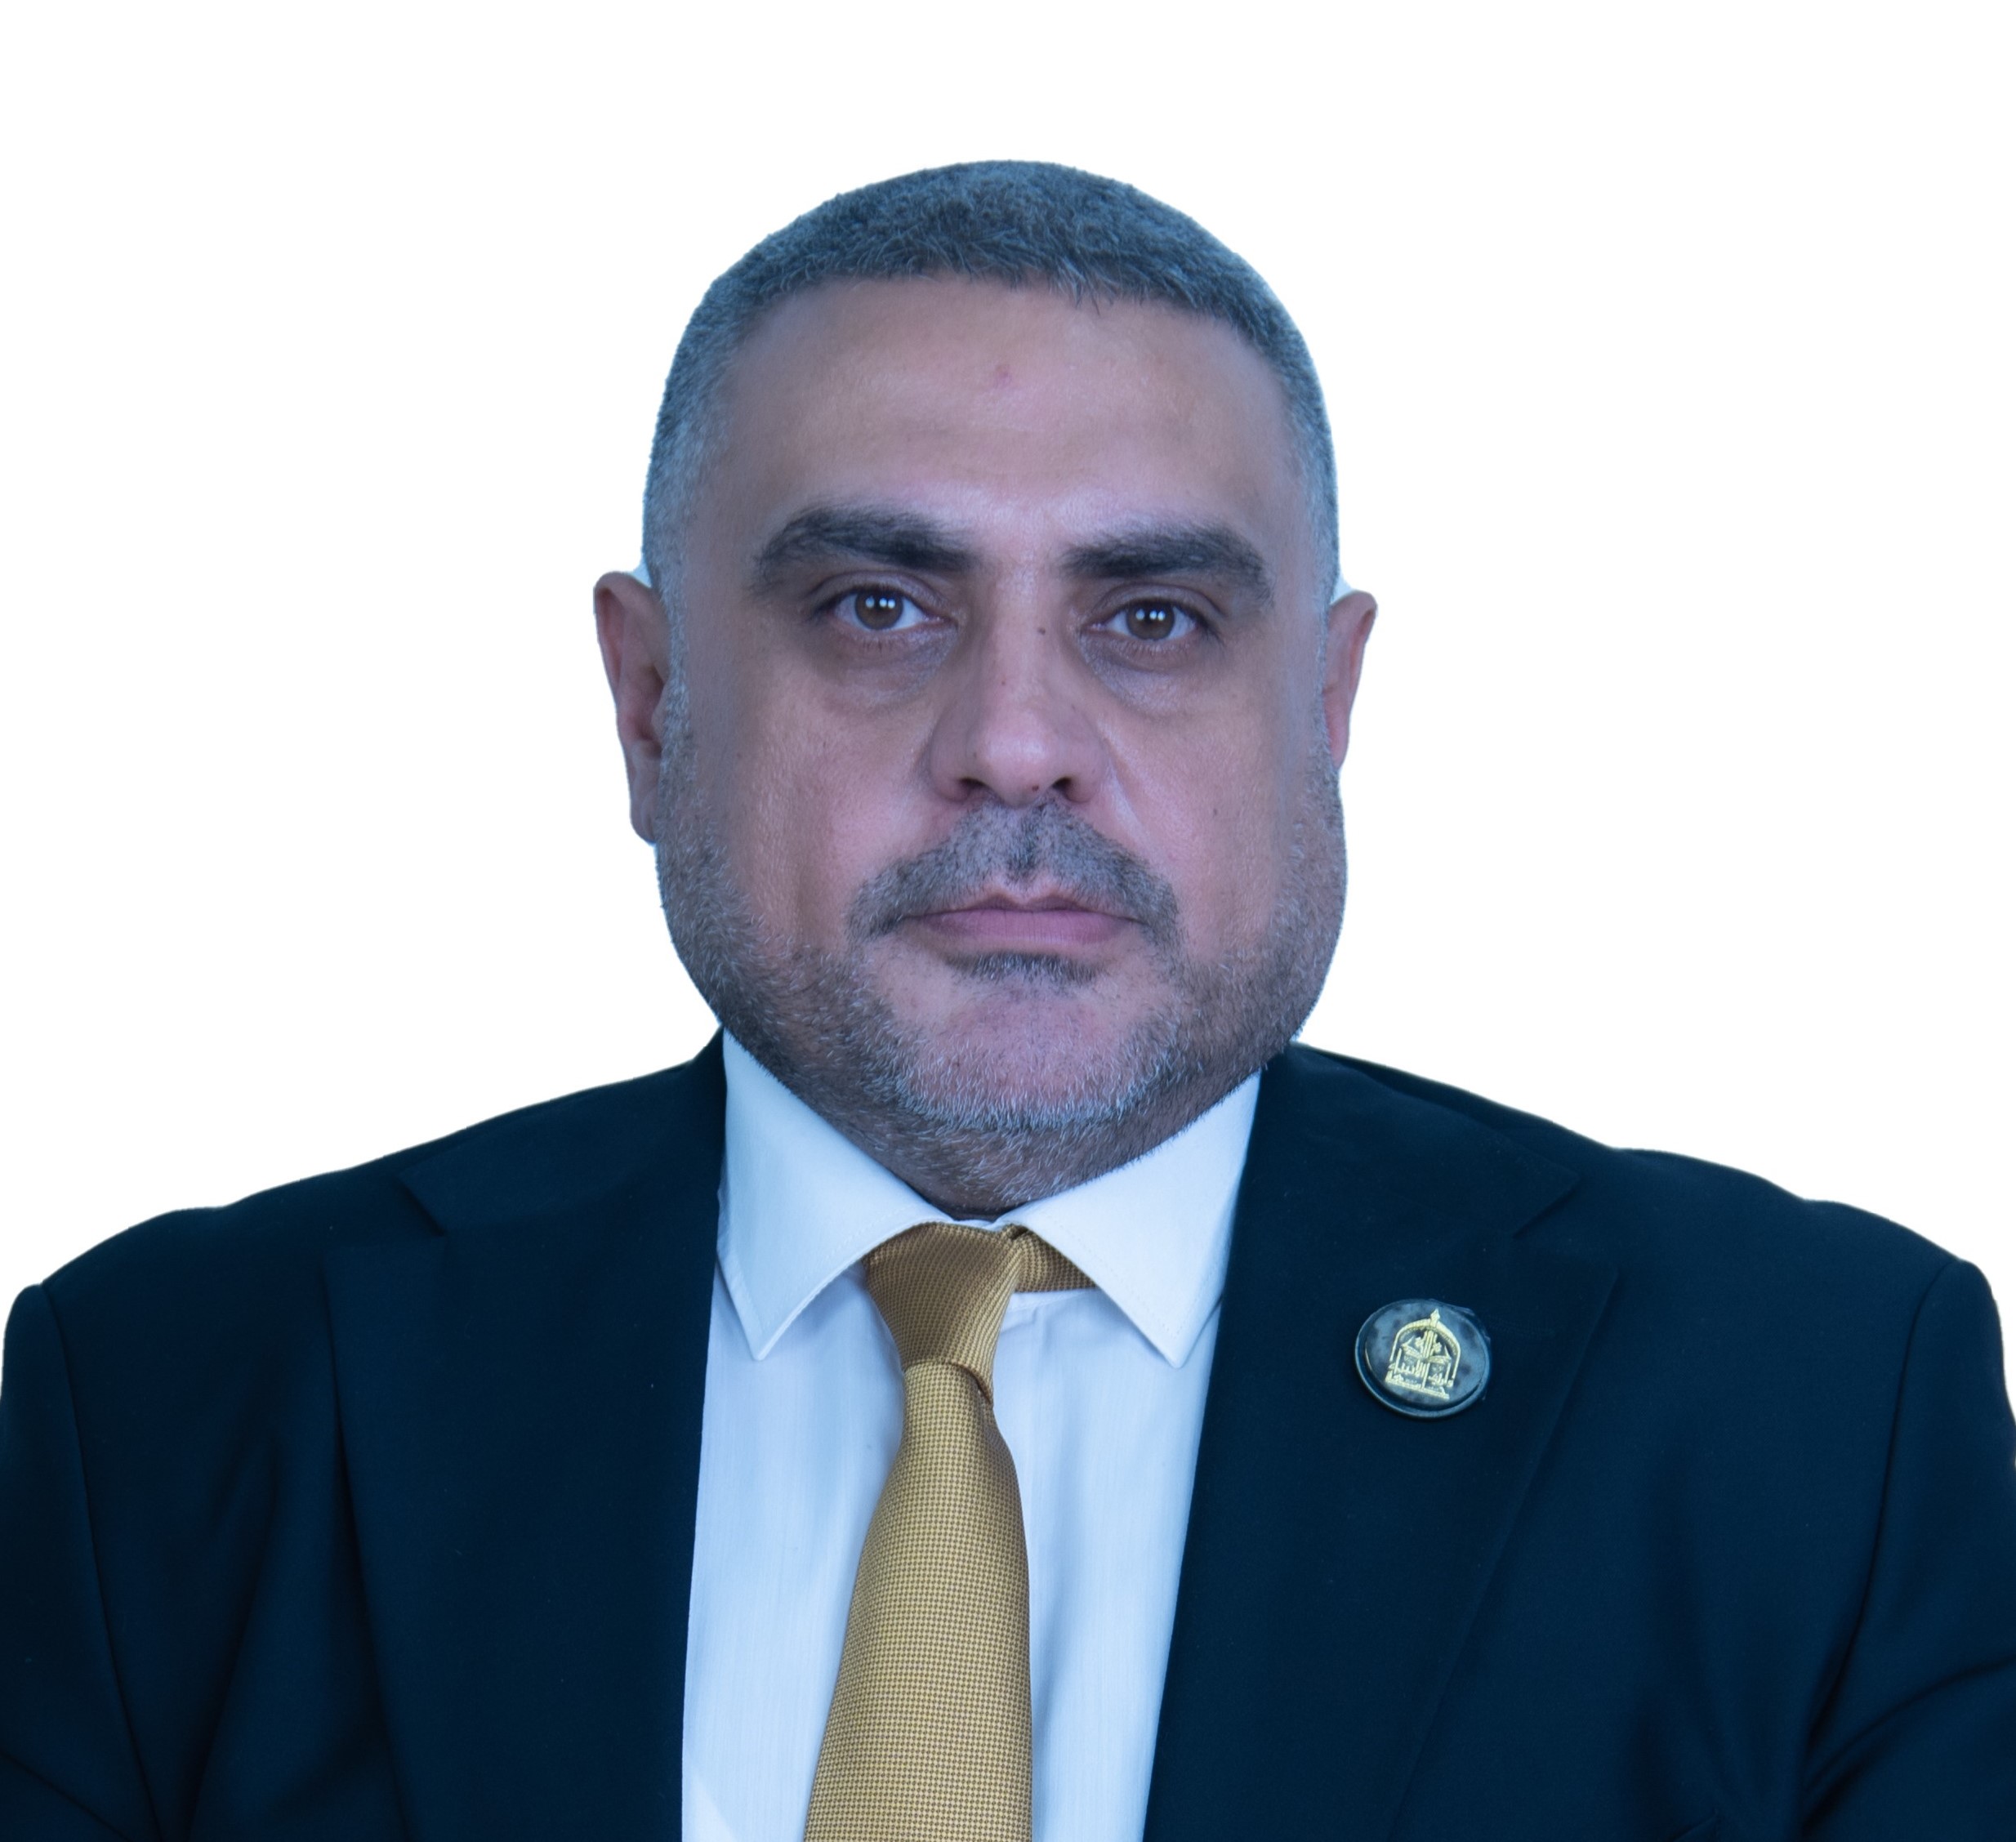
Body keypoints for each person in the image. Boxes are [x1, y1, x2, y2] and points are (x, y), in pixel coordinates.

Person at [1, 161, 2011, 1842]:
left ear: (1323, 708)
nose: (1018, 742)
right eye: (878, 608)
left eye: (1154, 618)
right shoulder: (166, 1401)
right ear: (649, 702)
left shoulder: (1814, 1410)